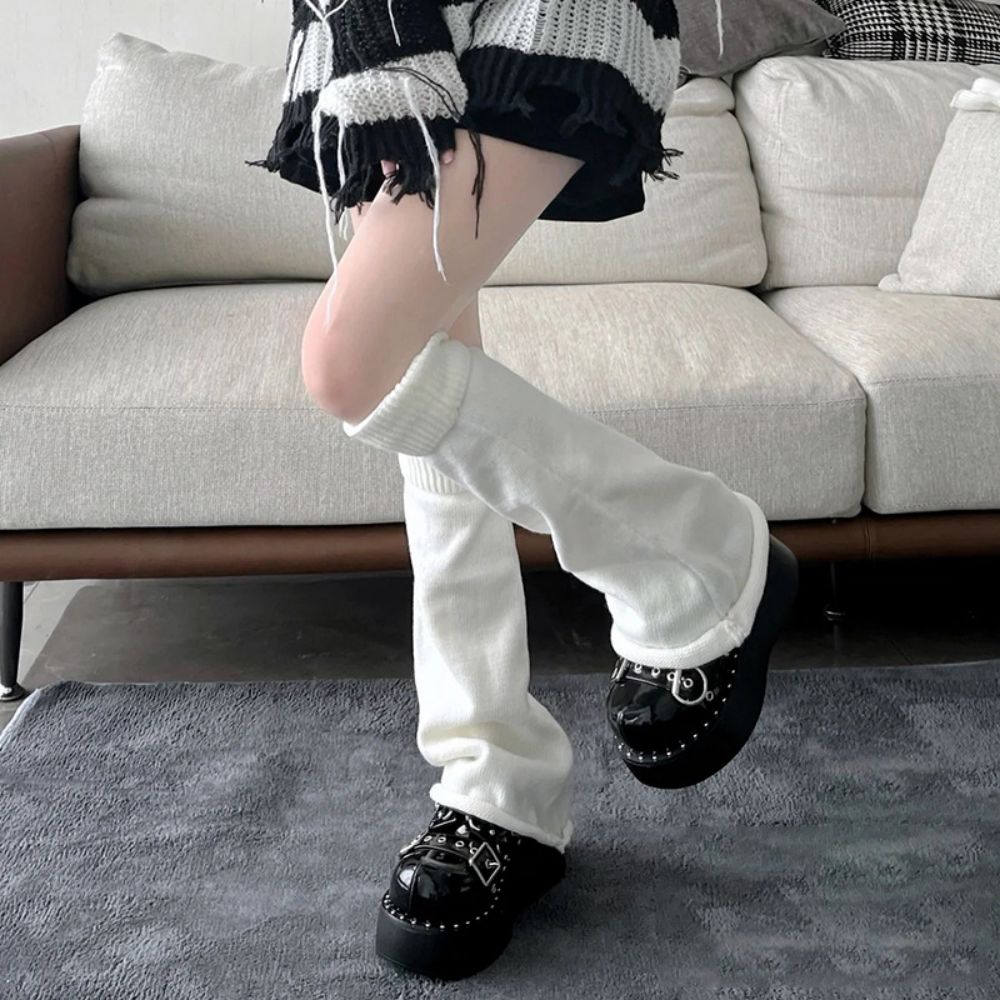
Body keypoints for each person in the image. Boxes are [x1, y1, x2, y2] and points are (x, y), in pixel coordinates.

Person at [247, 0, 798, 981]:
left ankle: (696, 555)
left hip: (521, 17)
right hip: (379, 33)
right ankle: (494, 782)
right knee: (420, 373)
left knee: (352, 362)